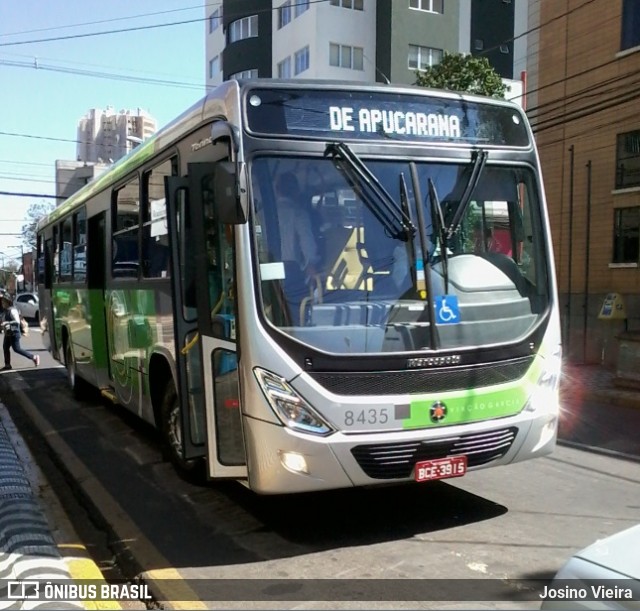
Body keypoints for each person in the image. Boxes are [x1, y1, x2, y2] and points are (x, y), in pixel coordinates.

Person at [1, 294, 39, 370]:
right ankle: (7, 365)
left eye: (4, 302)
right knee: (5, 347)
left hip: (14, 333)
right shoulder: (6, 311)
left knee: (17, 349)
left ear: (8, 302)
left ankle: (34, 357)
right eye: (2, 302)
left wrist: (7, 323)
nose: (2, 304)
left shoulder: (12, 310)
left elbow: (17, 322)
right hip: (8, 333)